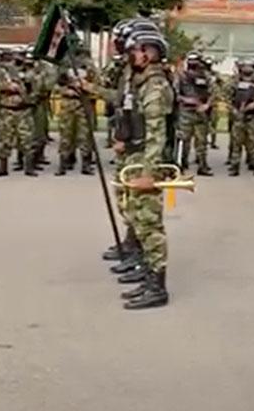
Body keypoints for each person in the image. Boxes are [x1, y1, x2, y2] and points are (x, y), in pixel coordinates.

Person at [115, 30, 175, 310]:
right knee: (138, 219)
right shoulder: (140, 81)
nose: (131, 54)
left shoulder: (155, 86)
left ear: (149, 53)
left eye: (136, 49)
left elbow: (157, 134)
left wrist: (149, 174)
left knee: (150, 224)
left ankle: (157, 287)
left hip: (147, 160)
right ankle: (147, 274)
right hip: (138, 156)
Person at [227, 59, 254, 176]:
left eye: (250, 67)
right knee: (237, 142)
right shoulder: (234, 81)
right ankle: (234, 166)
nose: (247, 69)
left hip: (253, 116)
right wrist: (232, 109)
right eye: (245, 66)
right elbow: (226, 96)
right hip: (238, 115)